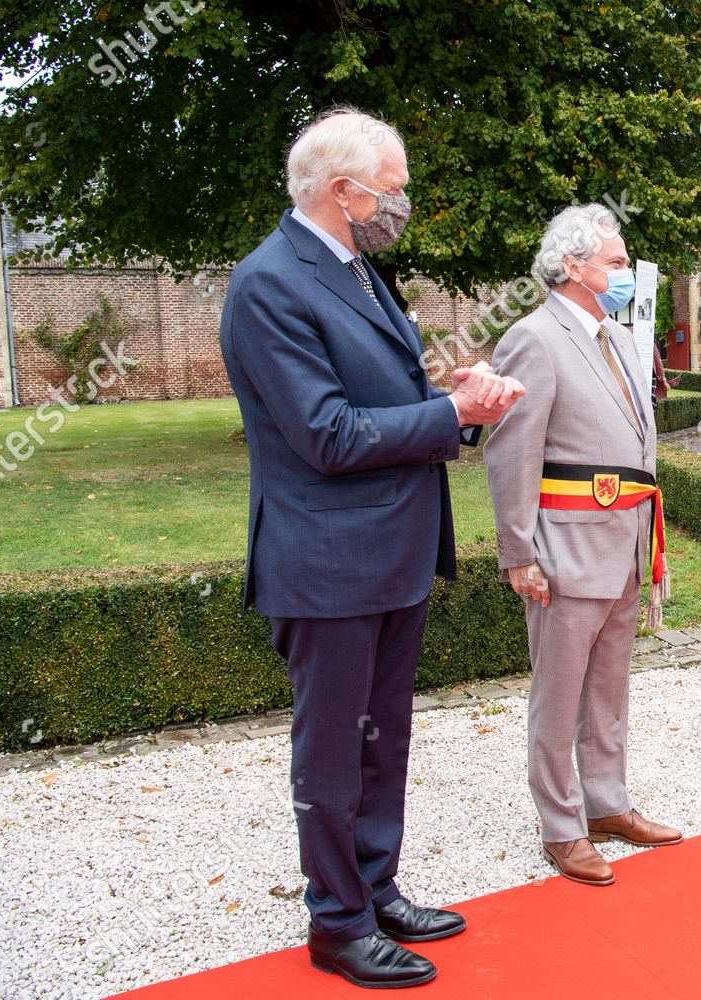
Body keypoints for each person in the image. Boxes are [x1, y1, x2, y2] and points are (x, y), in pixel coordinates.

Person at [219, 108, 524, 989]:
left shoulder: (355, 270)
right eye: (391, 190)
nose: (400, 205)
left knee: (382, 739)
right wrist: (450, 416)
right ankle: (338, 923)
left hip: (387, 552)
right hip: (326, 563)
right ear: (340, 190)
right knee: (334, 749)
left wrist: (450, 395)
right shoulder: (270, 282)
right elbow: (324, 432)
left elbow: (374, 396)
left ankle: (376, 887)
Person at [485, 203, 682, 889]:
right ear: (572, 266)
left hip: (625, 540)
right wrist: (518, 552)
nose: (626, 272)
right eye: (616, 262)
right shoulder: (532, 339)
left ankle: (606, 803)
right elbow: (512, 451)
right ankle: (562, 825)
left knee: (608, 690)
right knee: (559, 692)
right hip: (565, 545)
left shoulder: (622, 338)